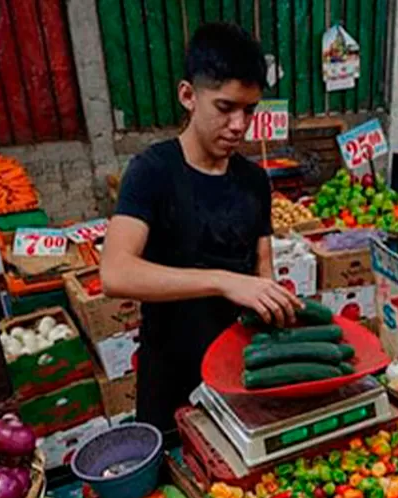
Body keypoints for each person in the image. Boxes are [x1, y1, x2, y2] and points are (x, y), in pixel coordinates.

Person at [100, 23, 302, 437]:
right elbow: (114, 273)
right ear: (188, 96)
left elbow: (263, 267)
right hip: (171, 376)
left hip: (241, 376)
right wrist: (223, 282)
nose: (238, 125)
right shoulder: (151, 172)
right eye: (225, 107)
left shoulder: (254, 181)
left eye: (250, 110)